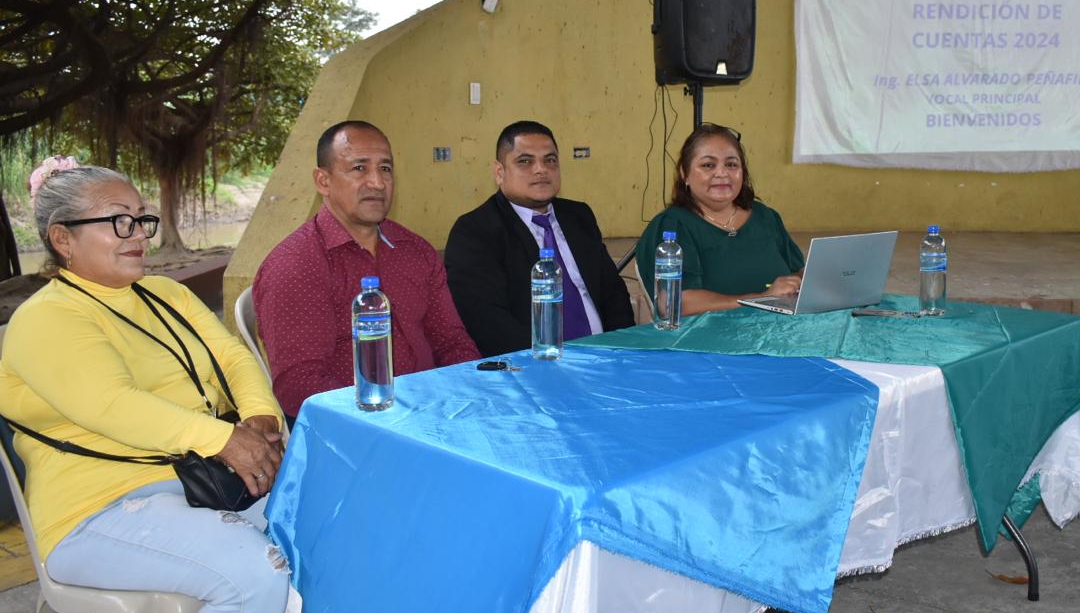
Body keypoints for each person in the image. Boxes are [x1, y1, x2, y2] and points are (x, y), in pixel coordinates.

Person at [0, 165, 291, 613]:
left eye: (141, 218)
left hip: (202, 479)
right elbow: (113, 404)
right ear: (63, 238)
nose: (138, 234)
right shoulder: (46, 318)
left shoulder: (166, 294)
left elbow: (233, 357)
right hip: (98, 509)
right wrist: (225, 440)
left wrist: (260, 419)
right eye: (119, 220)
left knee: (324, 531)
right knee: (254, 576)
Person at [253, 120, 480, 418]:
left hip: (438, 410)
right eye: (359, 168)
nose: (377, 182)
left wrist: (470, 393)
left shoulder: (415, 250)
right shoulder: (297, 265)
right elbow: (301, 385)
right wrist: (389, 415)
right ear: (323, 181)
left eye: (385, 168)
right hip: (357, 426)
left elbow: (452, 342)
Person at [445, 120, 635, 356]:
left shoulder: (579, 216)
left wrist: (621, 347)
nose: (541, 169)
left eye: (550, 160)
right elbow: (487, 321)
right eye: (525, 161)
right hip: (535, 365)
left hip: (608, 356)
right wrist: (550, 363)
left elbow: (613, 293)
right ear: (499, 172)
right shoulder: (475, 231)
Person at [637, 123, 805, 316]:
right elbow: (675, 304)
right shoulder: (673, 225)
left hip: (783, 329)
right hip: (711, 333)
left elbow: (799, 272)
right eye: (708, 165)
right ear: (684, 173)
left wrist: (798, 284)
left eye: (731, 164)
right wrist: (762, 299)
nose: (722, 173)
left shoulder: (765, 217)